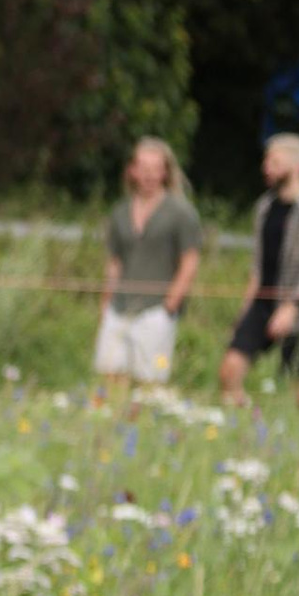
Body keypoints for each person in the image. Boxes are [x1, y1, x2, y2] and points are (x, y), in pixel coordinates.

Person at [91, 135, 202, 400]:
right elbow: (115, 261)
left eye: (155, 168)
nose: (149, 175)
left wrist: (170, 305)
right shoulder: (120, 212)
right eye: (143, 167)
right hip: (120, 305)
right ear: (132, 170)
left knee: (148, 383)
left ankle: (141, 431)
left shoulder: (180, 212)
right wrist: (106, 301)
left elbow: (190, 260)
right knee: (110, 374)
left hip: (156, 307)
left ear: (165, 172)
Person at [218, 129, 299, 413]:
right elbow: (259, 264)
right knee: (230, 369)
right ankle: (245, 426)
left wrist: (290, 307)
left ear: (296, 166)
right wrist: (246, 307)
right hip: (263, 301)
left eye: (274, 161)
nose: (266, 167)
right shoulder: (264, 207)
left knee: (298, 380)